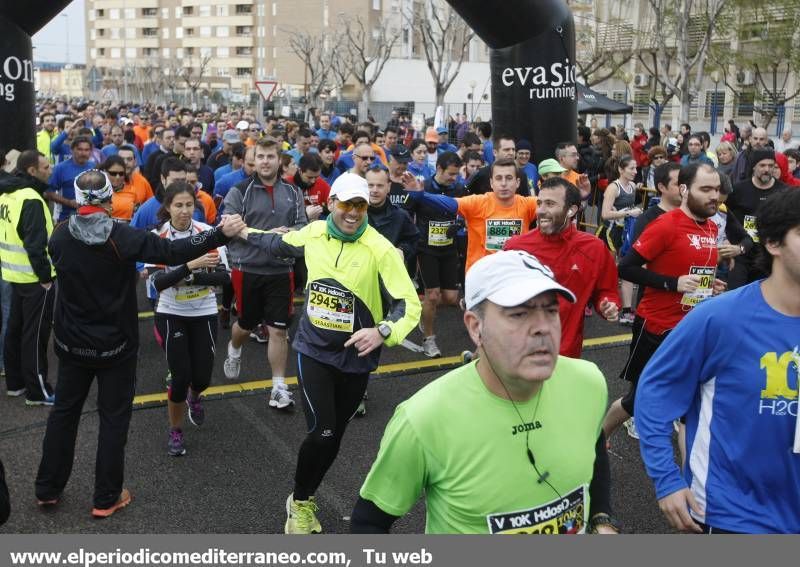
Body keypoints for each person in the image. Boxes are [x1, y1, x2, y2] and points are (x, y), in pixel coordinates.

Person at [351, 250, 617, 534]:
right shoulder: (424, 419)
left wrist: (602, 520)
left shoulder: (588, 382)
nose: (542, 328)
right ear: (476, 328)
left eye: (550, 310)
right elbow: (369, 523)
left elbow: (595, 447)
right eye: (519, 314)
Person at [34, 170, 244, 518]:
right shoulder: (122, 236)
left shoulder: (59, 235)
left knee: (63, 415)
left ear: (77, 198)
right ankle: (106, 497)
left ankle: (47, 488)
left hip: (71, 345)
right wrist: (220, 233)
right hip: (115, 346)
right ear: (108, 198)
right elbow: (174, 250)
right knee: (113, 420)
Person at [240, 173, 421, 533]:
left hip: (357, 357)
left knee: (334, 436)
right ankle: (301, 503)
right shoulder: (315, 232)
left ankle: (304, 496)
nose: (352, 213)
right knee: (322, 431)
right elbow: (279, 245)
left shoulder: (381, 248)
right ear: (330, 203)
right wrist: (242, 232)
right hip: (314, 349)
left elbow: (409, 304)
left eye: (360, 206)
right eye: (345, 204)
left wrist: (383, 331)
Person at [636, 187, 800, 534]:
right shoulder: (721, 318)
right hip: (735, 514)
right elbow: (654, 391)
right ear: (773, 244)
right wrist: (667, 479)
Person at [602, 163, 724, 443]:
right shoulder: (665, 225)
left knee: (688, 406)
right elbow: (626, 268)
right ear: (684, 190)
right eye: (705, 189)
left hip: (692, 328)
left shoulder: (710, 227)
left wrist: (709, 285)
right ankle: (598, 439)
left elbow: (691, 271)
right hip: (657, 327)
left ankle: (690, 479)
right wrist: (672, 283)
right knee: (638, 399)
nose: (713, 195)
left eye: (716, 189)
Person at [222, 138, 308, 409]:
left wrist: (290, 234)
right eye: (260, 156)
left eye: (270, 156)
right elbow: (231, 227)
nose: (265, 161)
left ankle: (279, 388)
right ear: (254, 159)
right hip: (247, 268)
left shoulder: (293, 192)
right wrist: (270, 235)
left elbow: (302, 228)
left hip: (281, 269)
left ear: (279, 159)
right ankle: (234, 349)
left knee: (278, 330)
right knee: (246, 325)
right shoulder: (239, 191)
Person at [146, 182, 230, 456]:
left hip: (204, 310)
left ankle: (196, 397)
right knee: (180, 377)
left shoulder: (208, 234)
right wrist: (192, 265)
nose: (184, 211)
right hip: (171, 312)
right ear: (168, 207)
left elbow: (224, 278)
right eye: (178, 205)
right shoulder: (157, 237)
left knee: (202, 378)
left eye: (189, 205)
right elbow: (158, 283)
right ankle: (176, 431)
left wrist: (188, 276)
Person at [504, 178, 620, 358]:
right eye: (540, 203)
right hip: (520, 352)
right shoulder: (515, 247)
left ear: (572, 210)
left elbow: (606, 290)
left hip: (566, 353)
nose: (541, 211)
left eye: (550, 204)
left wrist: (608, 305)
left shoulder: (594, 248)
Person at [404, 158, 538, 273]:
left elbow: (554, 204)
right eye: (498, 178)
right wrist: (423, 196)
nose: (503, 183)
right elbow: (451, 204)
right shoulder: (479, 202)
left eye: (509, 178)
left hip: (514, 274)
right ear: (491, 183)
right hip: (481, 276)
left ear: (518, 182)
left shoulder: (527, 205)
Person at [0, 150, 57, 404]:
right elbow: (35, 245)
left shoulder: (7, 193)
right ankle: (37, 391)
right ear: (32, 171)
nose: (50, 169)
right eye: (45, 166)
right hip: (35, 278)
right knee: (35, 336)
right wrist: (45, 277)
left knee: (16, 330)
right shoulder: (31, 198)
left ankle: (16, 384)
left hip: (14, 274)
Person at [404, 152, 466, 358]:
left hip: (449, 249)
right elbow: (407, 211)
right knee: (432, 294)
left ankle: (425, 312)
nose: (454, 178)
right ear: (438, 169)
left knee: (450, 298)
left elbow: (466, 213)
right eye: (451, 174)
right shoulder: (425, 187)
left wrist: (458, 225)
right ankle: (429, 340)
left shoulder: (458, 189)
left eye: (456, 174)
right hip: (426, 249)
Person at [726, 148, 788, 289]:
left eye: (771, 166)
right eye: (762, 165)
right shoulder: (738, 190)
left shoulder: (784, 192)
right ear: (753, 166)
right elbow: (725, 216)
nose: (767, 169)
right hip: (741, 253)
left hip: (769, 256)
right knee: (735, 295)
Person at [600, 155, 642, 325]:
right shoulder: (613, 187)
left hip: (626, 231)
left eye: (636, 168)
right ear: (621, 169)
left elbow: (630, 209)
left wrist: (633, 212)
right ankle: (594, 303)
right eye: (631, 168)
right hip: (611, 232)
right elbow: (605, 213)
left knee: (627, 267)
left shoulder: (632, 186)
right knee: (607, 271)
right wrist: (627, 213)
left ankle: (626, 311)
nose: (635, 171)